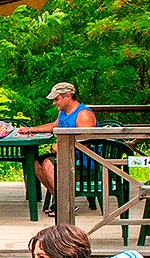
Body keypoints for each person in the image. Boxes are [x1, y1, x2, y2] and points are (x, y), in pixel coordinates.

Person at [19, 82, 97, 216]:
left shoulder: (84, 114)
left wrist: (61, 146)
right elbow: (53, 126)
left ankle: (66, 204)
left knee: (48, 163)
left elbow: (86, 140)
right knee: (34, 162)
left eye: (57, 99)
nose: (54, 103)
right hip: (66, 155)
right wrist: (30, 129)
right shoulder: (63, 113)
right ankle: (59, 198)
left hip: (83, 161)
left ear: (68, 96)